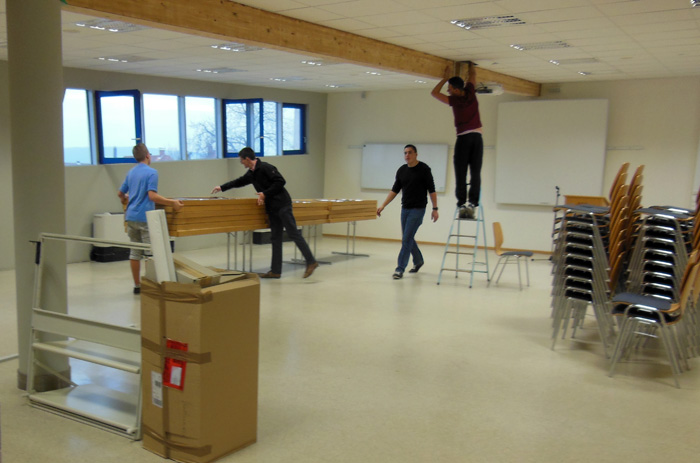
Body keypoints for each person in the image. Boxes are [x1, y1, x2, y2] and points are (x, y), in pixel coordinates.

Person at [211, 147, 319, 279]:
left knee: (293, 233)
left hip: (283, 205)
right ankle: (276, 271)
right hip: (272, 208)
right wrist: (221, 187)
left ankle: (311, 261)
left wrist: (265, 193)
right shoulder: (251, 173)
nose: (241, 163)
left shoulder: (266, 167)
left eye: (242, 160)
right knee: (275, 238)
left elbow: (281, 181)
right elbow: (239, 182)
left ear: (247, 159)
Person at [118, 143, 184, 294]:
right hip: (144, 217)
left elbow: (120, 193)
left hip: (131, 217)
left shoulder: (131, 173)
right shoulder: (152, 173)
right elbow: (152, 196)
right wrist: (172, 202)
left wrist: (124, 200)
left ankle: (137, 285)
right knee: (149, 254)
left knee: (135, 253)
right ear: (148, 155)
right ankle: (149, 286)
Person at [376, 144, 438, 280]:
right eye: (405, 153)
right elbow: (395, 190)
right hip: (405, 209)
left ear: (416, 154)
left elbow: (432, 190)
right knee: (407, 238)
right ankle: (418, 261)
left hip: (418, 209)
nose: (407, 155)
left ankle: (400, 269)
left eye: (410, 152)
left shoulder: (424, 169)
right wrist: (383, 205)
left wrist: (435, 209)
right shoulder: (402, 170)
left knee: (406, 239)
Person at [431, 61, 483, 220]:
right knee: (475, 172)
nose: (448, 91)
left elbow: (434, 93)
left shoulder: (455, 101)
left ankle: (461, 203)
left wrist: (444, 78)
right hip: (477, 138)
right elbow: (473, 76)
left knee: (461, 172)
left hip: (464, 139)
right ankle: (473, 203)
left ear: (455, 89)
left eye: (449, 88)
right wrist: (471, 65)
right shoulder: (470, 92)